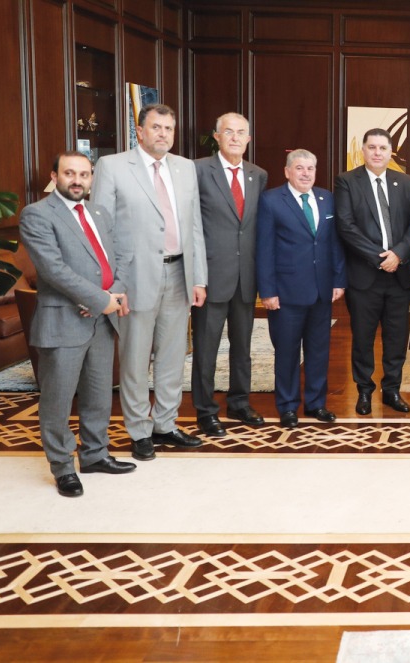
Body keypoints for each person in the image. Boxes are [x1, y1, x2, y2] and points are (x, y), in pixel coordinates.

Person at [90, 103, 207, 461]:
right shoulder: (112, 166)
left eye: (169, 129)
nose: (163, 134)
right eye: (156, 127)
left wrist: (199, 278)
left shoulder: (185, 168)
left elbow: (194, 227)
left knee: (173, 356)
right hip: (133, 278)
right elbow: (101, 229)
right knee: (135, 359)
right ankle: (139, 430)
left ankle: (165, 425)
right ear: (139, 131)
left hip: (178, 274)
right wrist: (112, 284)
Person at [19, 152, 134, 496]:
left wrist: (112, 294)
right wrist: (99, 300)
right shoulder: (37, 214)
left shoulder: (98, 213)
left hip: (101, 320)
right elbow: (53, 270)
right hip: (63, 320)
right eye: (70, 173)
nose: (77, 180)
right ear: (55, 176)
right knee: (57, 398)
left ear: (91, 178)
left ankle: (95, 454)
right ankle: (63, 467)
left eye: (84, 174)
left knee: (99, 394)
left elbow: (120, 257)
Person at [255, 149, 345, 429]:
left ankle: (317, 404)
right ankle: (288, 407)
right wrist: (267, 291)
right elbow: (264, 249)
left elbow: (333, 243)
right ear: (287, 171)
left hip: (321, 290)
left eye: (310, 168)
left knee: (319, 351)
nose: (305, 173)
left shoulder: (326, 198)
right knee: (287, 352)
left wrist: (339, 280)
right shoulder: (271, 201)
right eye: (299, 168)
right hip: (286, 292)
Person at [191, 112, 268, 437]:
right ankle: (206, 410)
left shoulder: (258, 175)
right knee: (206, 348)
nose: (235, 138)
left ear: (249, 139)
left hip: (245, 277)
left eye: (241, 133)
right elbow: (191, 225)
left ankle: (239, 402)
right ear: (217, 136)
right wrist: (196, 275)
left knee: (242, 346)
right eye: (229, 132)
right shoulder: (197, 171)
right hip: (210, 276)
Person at [334, 128, 410, 416]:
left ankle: (392, 390)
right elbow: (345, 226)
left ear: (390, 150)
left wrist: (399, 254)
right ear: (363, 150)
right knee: (363, 338)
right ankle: (364, 392)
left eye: (383, 147)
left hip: (399, 276)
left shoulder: (405, 182)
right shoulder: (347, 181)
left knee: (396, 338)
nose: (377, 152)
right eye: (372, 147)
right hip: (364, 276)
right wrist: (380, 257)